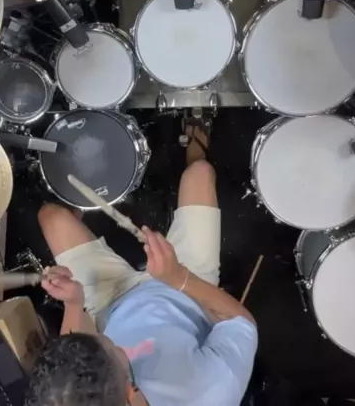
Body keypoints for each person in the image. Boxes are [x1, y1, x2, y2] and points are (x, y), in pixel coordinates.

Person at [26, 121, 259, 406]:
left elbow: (78, 352)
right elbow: (241, 322)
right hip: (187, 297)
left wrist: (74, 303)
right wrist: (179, 278)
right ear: (130, 389)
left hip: (110, 302)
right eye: (110, 345)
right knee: (199, 173)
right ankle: (197, 132)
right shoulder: (208, 393)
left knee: (51, 217)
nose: (107, 340)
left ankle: (81, 202)